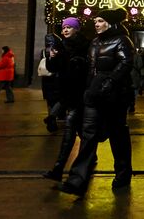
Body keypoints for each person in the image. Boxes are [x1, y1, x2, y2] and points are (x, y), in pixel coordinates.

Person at [59, 8, 134, 196]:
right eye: (96, 21)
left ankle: (123, 173)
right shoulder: (94, 43)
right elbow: (90, 69)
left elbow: (125, 64)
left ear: (109, 22)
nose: (96, 24)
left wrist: (109, 83)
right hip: (93, 97)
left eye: (100, 21)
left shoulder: (122, 41)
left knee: (118, 136)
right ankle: (77, 180)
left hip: (114, 98)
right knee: (88, 136)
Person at [42, 17, 89, 182]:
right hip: (67, 95)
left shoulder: (84, 45)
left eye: (69, 27)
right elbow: (52, 68)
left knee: (69, 131)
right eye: (64, 28)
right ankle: (91, 156)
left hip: (79, 95)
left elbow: (82, 68)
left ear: (77, 29)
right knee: (82, 133)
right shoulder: (62, 46)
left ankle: (58, 168)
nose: (65, 30)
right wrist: (51, 57)